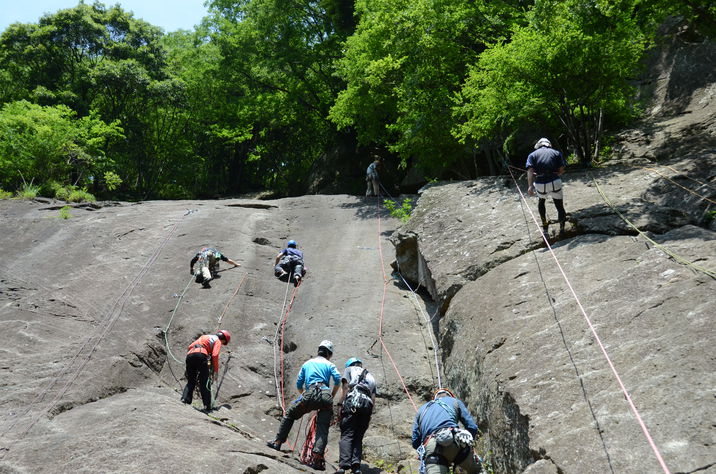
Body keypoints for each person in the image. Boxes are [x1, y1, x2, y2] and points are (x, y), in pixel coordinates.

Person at [266, 340, 341, 471]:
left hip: (310, 392)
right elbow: (338, 380)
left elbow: (299, 384)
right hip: (326, 395)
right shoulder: (330, 364)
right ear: (329, 354)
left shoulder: (308, 363)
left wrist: (305, 396)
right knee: (322, 427)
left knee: (290, 414)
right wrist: (331, 395)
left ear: (319, 351)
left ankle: (278, 442)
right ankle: (317, 458)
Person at [412, 388, 481, 474]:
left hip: (432, 447)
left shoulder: (421, 410)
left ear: (435, 398)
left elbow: (415, 442)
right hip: (455, 442)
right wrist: (469, 442)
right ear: (450, 396)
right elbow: (472, 426)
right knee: (476, 470)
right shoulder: (455, 401)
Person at [335, 357, 377, 474]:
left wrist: (340, 405)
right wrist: (368, 415)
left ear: (350, 364)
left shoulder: (349, 370)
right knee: (358, 436)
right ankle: (356, 466)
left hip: (353, 402)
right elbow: (373, 398)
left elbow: (345, 388)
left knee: (347, 434)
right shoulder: (370, 376)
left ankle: (343, 466)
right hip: (366, 406)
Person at [181, 330, 231, 412]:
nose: (221, 344)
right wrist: (216, 371)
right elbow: (215, 355)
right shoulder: (217, 341)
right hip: (201, 354)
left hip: (190, 355)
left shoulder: (204, 337)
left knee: (191, 380)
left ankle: (185, 399)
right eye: (223, 342)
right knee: (204, 381)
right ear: (223, 339)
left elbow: (190, 346)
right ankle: (207, 406)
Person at [526, 138, 567, 235]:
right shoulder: (556, 153)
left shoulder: (532, 155)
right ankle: (562, 228)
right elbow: (561, 170)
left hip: (541, 184)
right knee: (559, 205)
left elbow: (530, 171)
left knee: (541, 201)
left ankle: (545, 225)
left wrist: (530, 186)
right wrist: (555, 174)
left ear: (539, 145)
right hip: (555, 181)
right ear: (549, 144)